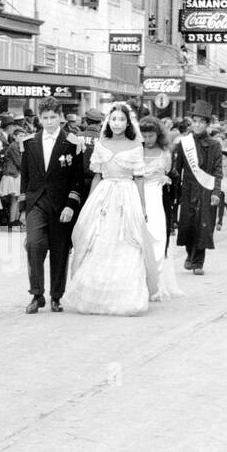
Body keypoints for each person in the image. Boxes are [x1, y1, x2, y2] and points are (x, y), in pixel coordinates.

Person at [65, 102, 159, 315]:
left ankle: (126, 297)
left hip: (126, 194)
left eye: (121, 119)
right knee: (98, 240)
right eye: (114, 119)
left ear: (128, 123)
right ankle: (93, 297)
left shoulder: (135, 146)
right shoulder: (101, 144)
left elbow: (139, 178)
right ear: (109, 121)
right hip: (104, 194)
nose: (117, 123)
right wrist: (90, 203)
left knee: (126, 242)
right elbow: (97, 175)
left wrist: (142, 206)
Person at [20, 97, 85, 313]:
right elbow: (25, 179)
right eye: (45, 118)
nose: (49, 122)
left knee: (59, 250)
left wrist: (70, 205)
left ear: (61, 118)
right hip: (36, 202)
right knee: (34, 245)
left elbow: (78, 179)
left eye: (53, 117)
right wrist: (23, 209)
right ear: (39, 118)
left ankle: (56, 296)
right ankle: (36, 294)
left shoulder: (73, 143)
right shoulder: (29, 143)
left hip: (61, 204)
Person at [171, 100, 223, 275]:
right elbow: (176, 170)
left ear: (207, 124)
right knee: (187, 225)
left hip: (206, 190)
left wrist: (216, 191)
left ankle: (198, 261)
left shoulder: (215, 145)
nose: (198, 125)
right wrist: (174, 191)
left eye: (202, 122)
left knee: (203, 225)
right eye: (195, 121)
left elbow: (218, 170)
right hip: (188, 189)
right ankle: (189, 254)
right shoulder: (183, 143)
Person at [139, 116, 182, 298]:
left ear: (158, 135)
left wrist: (167, 180)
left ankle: (156, 285)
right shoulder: (135, 151)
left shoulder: (165, 153)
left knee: (157, 237)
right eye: (144, 136)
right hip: (139, 196)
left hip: (157, 198)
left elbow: (171, 175)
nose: (147, 140)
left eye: (151, 136)